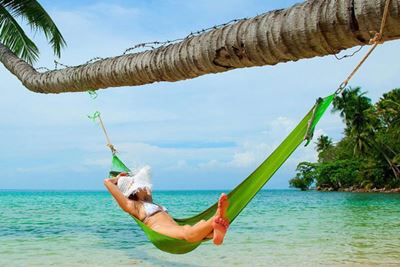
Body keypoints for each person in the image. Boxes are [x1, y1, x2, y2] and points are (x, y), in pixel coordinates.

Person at [104, 165, 230, 245]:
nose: (144, 186)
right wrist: (118, 179)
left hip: (174, 227)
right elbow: (107, 182)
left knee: (195, 226)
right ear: (133, 189)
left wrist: (126, 176)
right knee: (187, 234)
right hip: (159, 230)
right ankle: (217, 217)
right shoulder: (132, 205)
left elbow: (147, 171)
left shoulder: (148, 200)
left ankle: (215, 234)